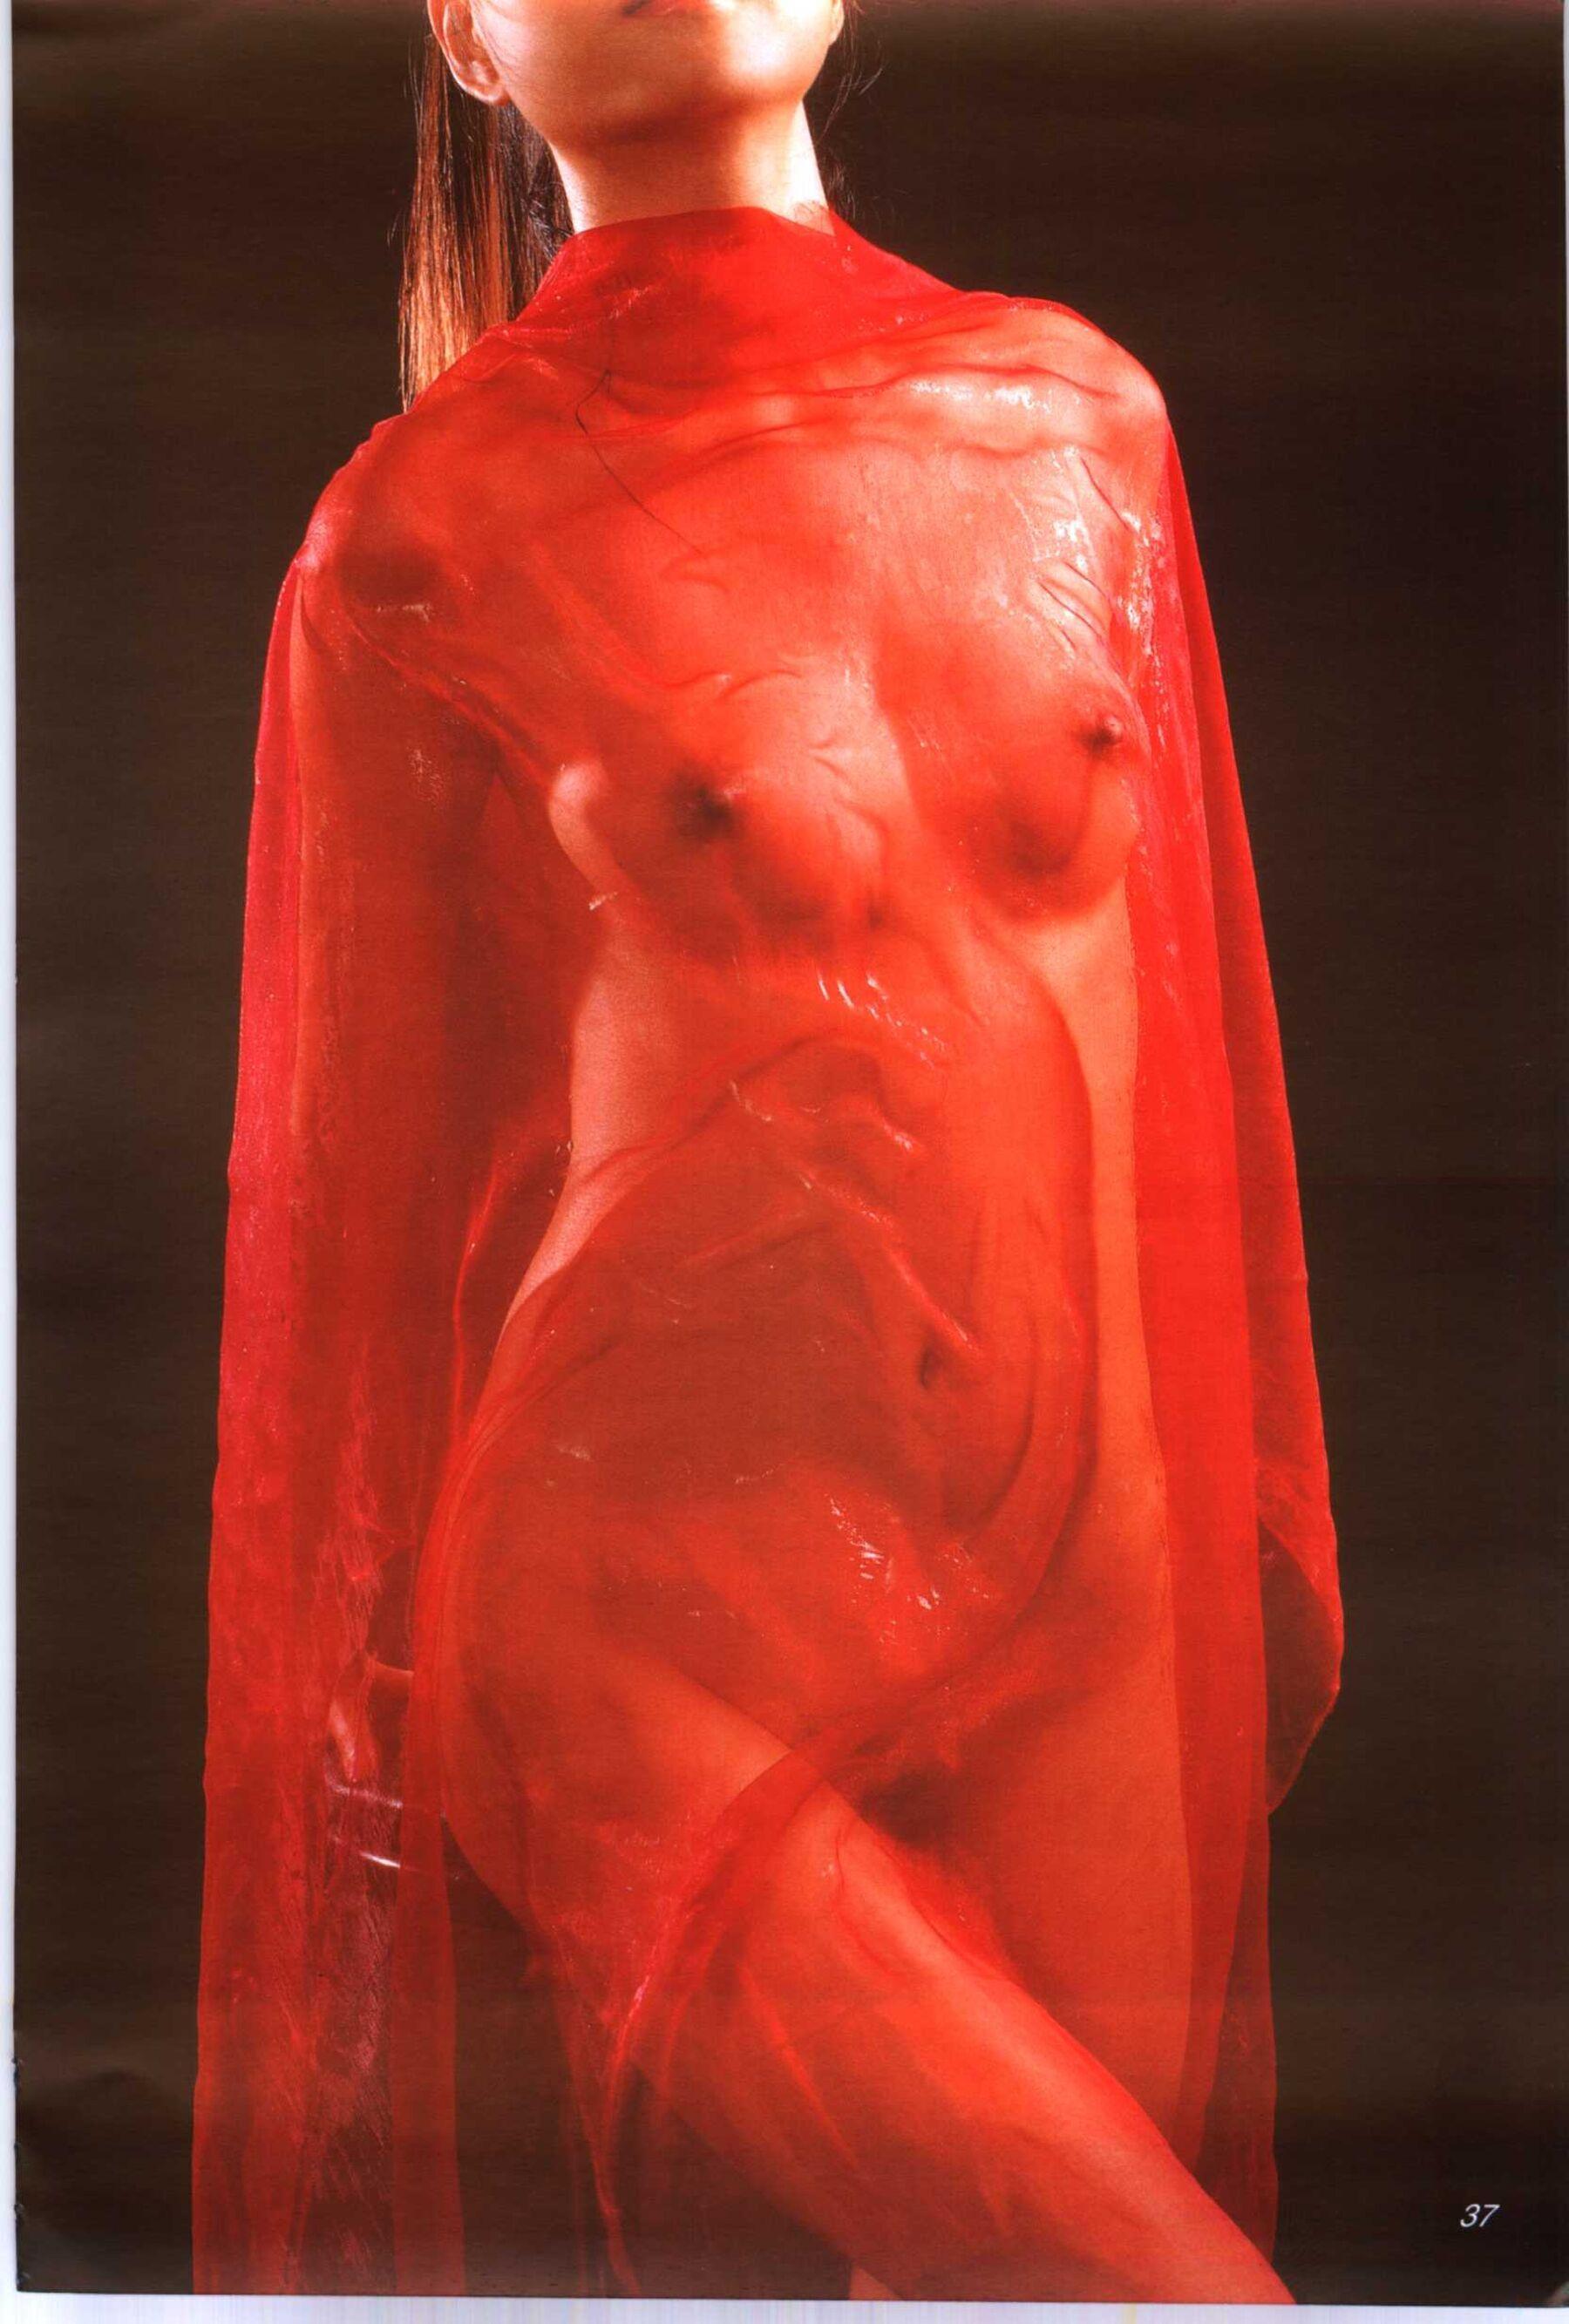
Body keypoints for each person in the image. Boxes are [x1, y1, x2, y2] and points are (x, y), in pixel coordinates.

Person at [193, 0, 1343, 2297]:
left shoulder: (1084, 424)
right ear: (470, 43)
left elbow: (1176, 1092)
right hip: (647, 1628)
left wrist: (1154, 1593)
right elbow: (353, 1231)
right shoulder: (419, 530)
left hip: (1089, 1579)